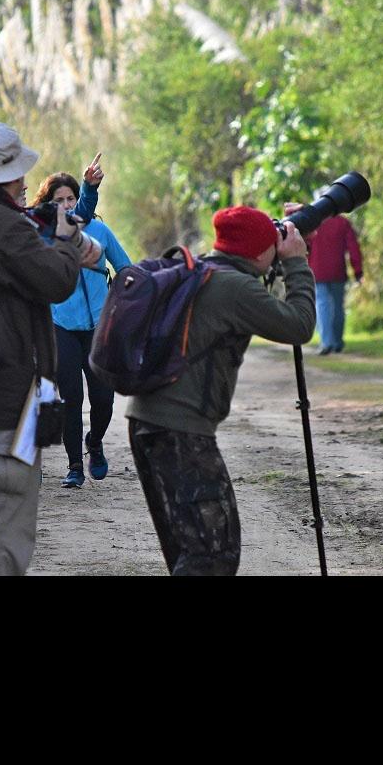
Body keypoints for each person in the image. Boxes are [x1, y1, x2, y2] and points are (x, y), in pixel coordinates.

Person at [125, 205, 316, 576]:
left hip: (146, 421)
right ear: (258, 253)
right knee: (212, 555)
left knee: (189, 551)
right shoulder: (235, 288)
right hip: (180, 431)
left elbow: (268, 305)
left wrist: (293, 257)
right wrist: (296, 262)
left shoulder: (204, 270)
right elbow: (298, 325)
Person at [0, 121, 87, 576]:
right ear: (9, 176)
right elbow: (57, 280)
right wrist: (65, 241)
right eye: (20, 172)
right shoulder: (2, 225)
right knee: (2, 531)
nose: (25, 181)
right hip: (5, 402)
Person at [31, 164, 130, 487]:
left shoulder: (99, 232)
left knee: (103, 399)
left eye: (71, 198)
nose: (66, 205)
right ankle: (74, 466)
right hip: (60, 324)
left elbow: (125, 268)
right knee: (71, 398)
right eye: (59, 200)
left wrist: (123, 302)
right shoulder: (45, 236)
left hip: (98, 326)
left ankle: (94, 442)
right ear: (48, 204)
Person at [307, 204, 363, 355]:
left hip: (317, 270)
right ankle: (337, 342)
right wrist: (357, 270)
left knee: (322, 305)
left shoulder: (312, 223)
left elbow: (305, 247)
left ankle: (326, 342)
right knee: (338, 306)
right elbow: (353, 248)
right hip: (337, 271)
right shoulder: (342, 222)